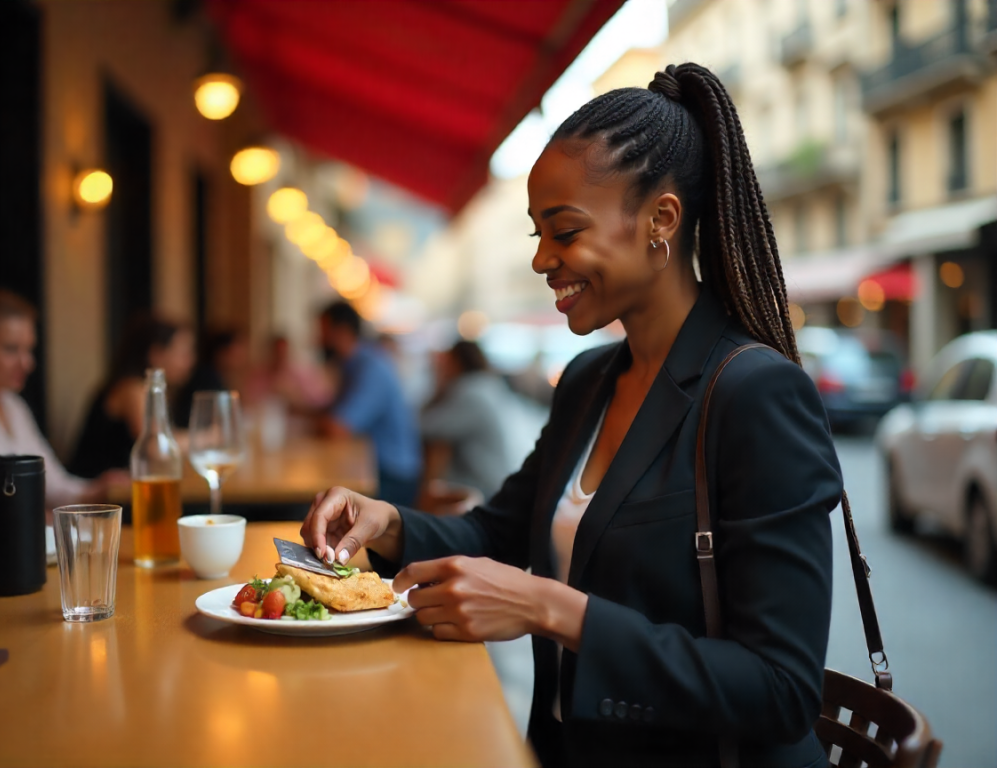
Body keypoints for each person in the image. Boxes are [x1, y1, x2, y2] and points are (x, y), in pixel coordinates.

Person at [300, 63, 843, 768]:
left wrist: (548, 608)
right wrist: (389, 521)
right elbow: (500, 530)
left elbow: (782, 689)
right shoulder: (590, 378)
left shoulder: (755, 395)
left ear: (661, 220)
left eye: (563, 230)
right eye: (536, 234)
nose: (541, 260)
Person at [0, 288, 121, 510]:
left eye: (29, 350)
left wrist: (99, 487)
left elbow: (53, 484)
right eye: (11, 349)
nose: (27, 363)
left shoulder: (14, 406)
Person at [315, 301, 421, 507]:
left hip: (391, 477)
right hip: (373, 467)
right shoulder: (352, 364)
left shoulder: (371, 367)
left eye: (323, 331)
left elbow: (337, 428)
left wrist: (316, 420)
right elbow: (332, 413)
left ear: (342, 331)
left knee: (311, 504)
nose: (317, 339)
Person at [69, 316, 194, 478]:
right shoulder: (131, 388)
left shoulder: (153, 391)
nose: (190, 361)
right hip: (101, 494)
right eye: (183, 353)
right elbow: (155, 446)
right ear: (156, 354)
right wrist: (207, 439)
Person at [421, 341, 521, 499]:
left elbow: (429, 427)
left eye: (445, 363)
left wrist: (439, 384)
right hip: (491, 479)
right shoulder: (487, 385)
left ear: (457, 362)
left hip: (480, 487)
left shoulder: (472, 393)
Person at [172, 327, 249, 428]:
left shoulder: (217, 377)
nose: (243, 355)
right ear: (221, 353)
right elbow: (223, 424)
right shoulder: (207, 380)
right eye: (237, 351)